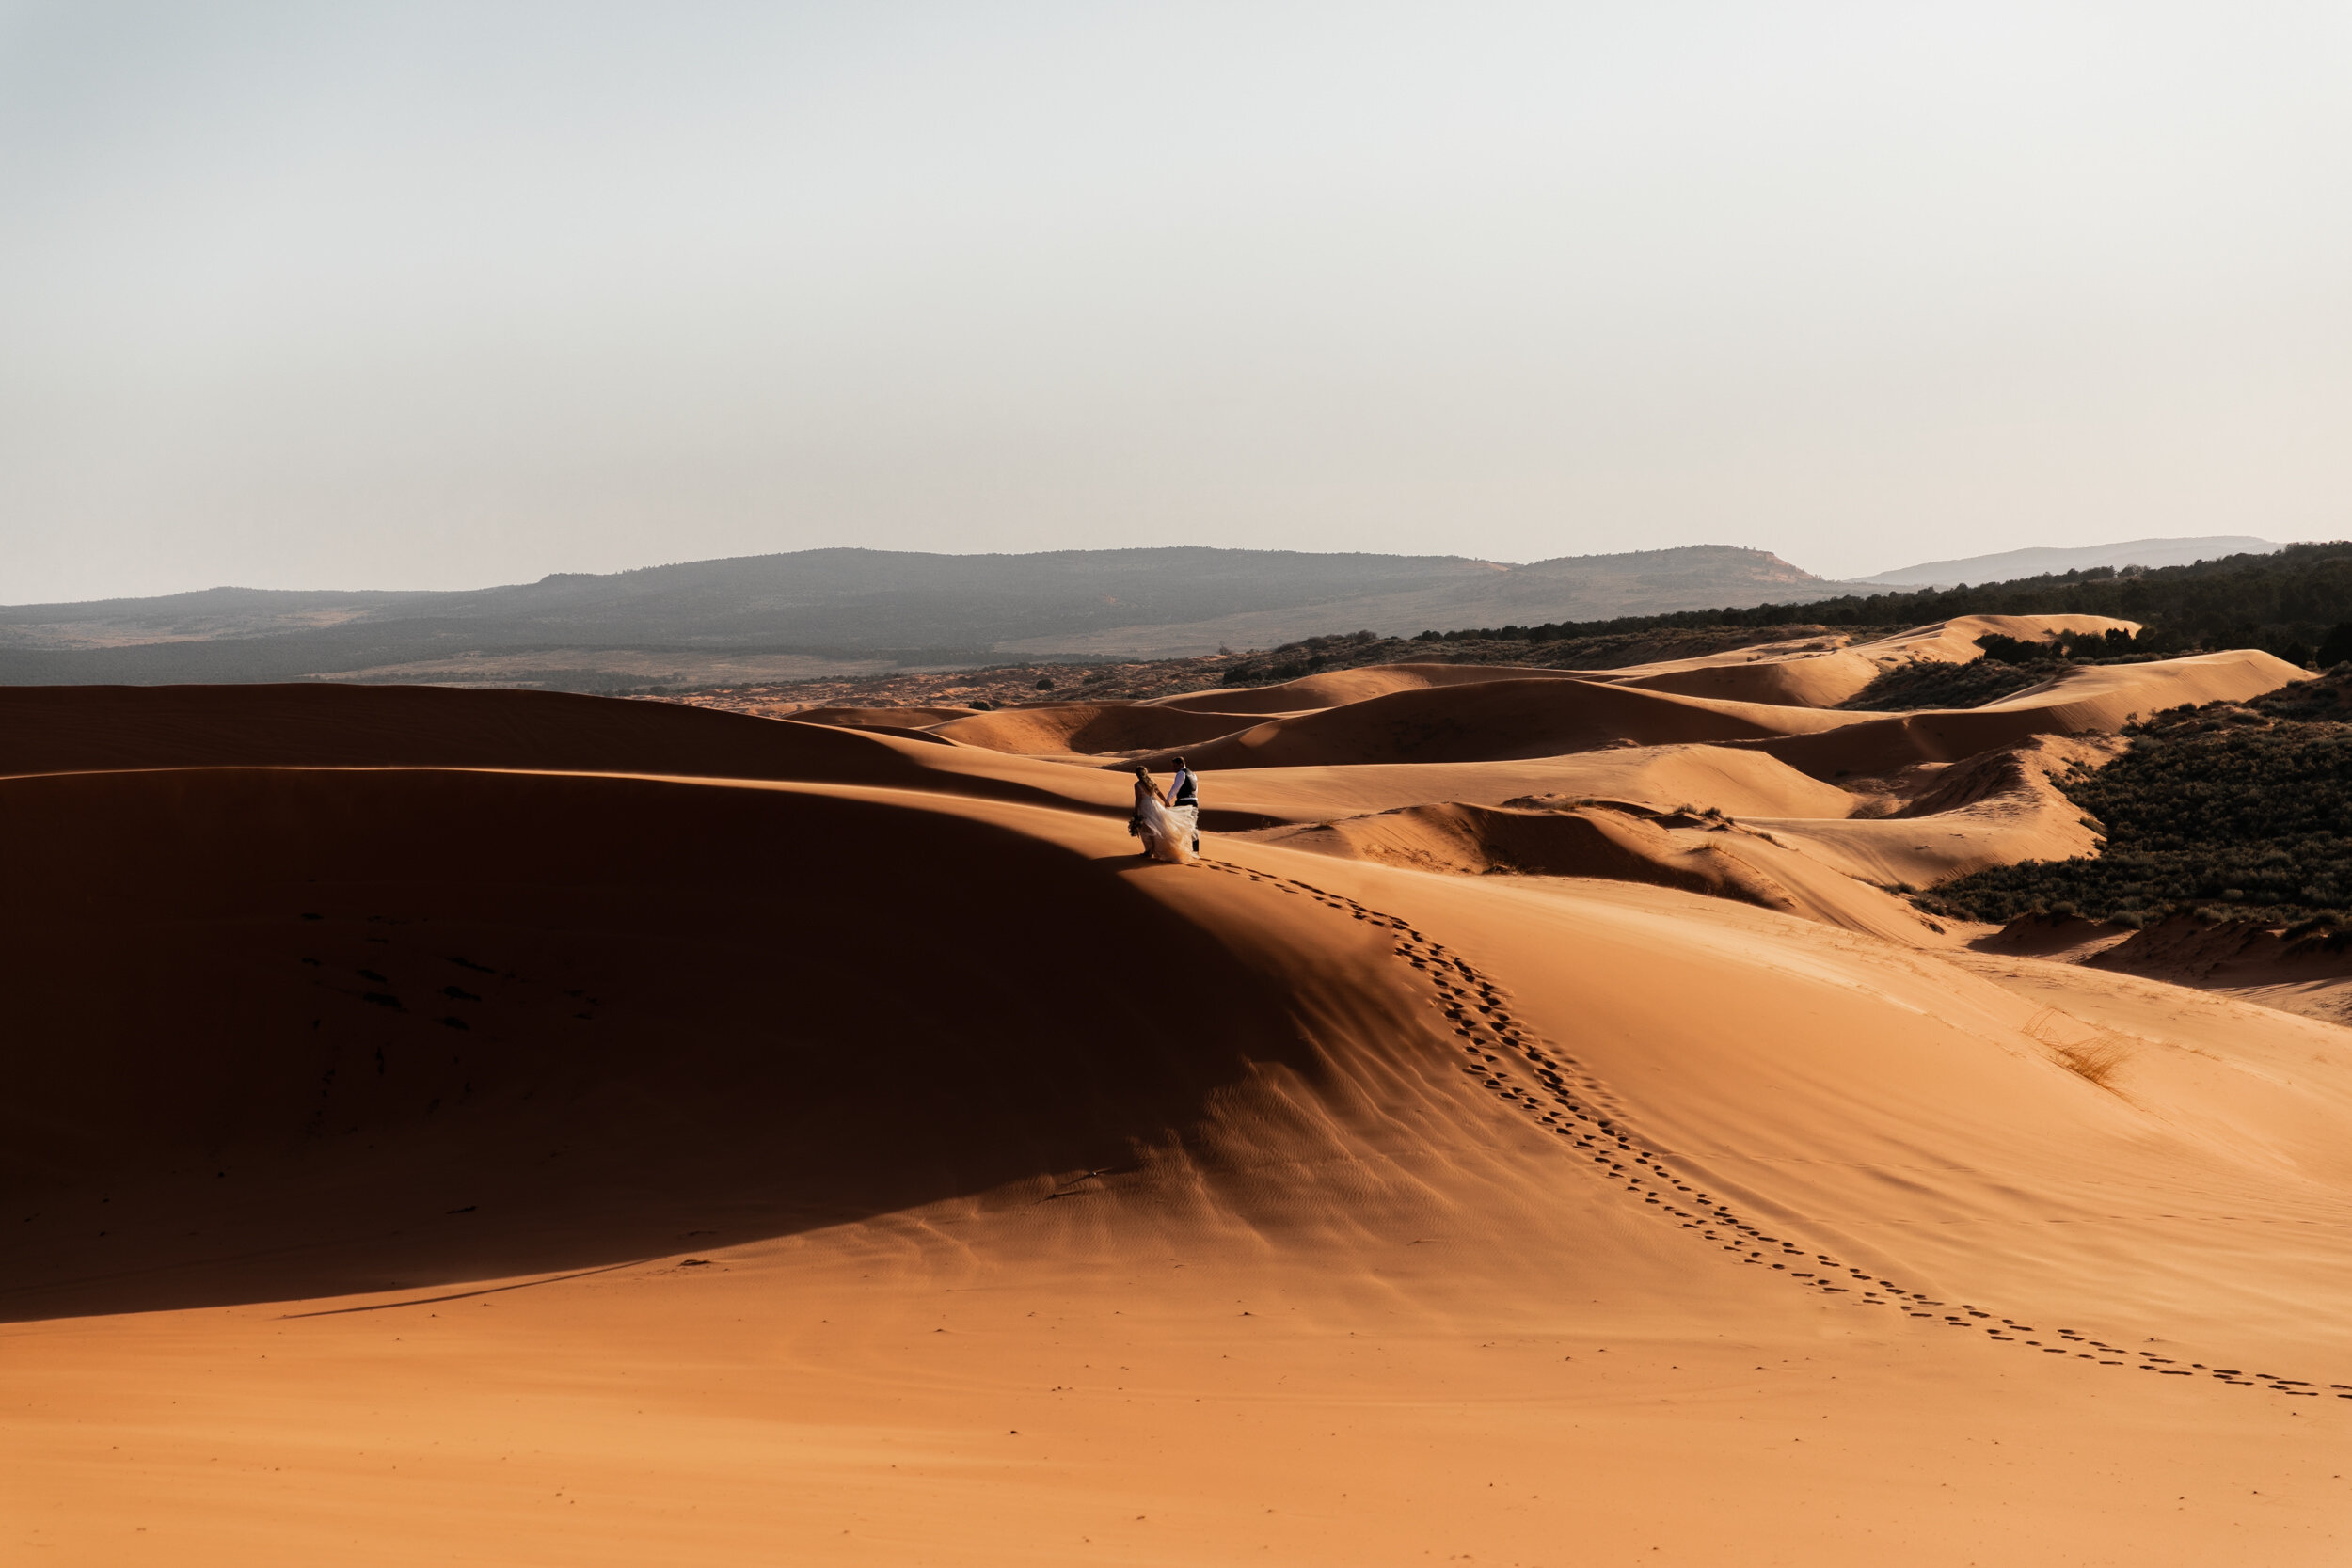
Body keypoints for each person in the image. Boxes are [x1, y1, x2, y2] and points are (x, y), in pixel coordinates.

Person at [1128, 765, 1197, 864]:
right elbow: (1159, 792)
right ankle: (1152, 850)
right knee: (1158, 827)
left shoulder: (1137, 784)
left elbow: (1138, 798)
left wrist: (1135, 811)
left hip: (1145, 806)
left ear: (1137, 775)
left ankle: (1149, 851)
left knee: (1146, 829)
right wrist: (1165, 801)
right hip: (1155, 804)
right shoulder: (1151, 781)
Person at [1168, 756, 1201, 855]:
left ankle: (1176, 849)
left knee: (1171, 823)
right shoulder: (1193, 774)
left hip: (1183, 802)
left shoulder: (1181, 773)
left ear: (1180, 764)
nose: (1173, 768)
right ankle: (1195, 852)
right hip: (1194, 802)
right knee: (1193, 827)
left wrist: (1167, 800)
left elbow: (1175, 788)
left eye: (1174, 765)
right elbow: (1195, 790)